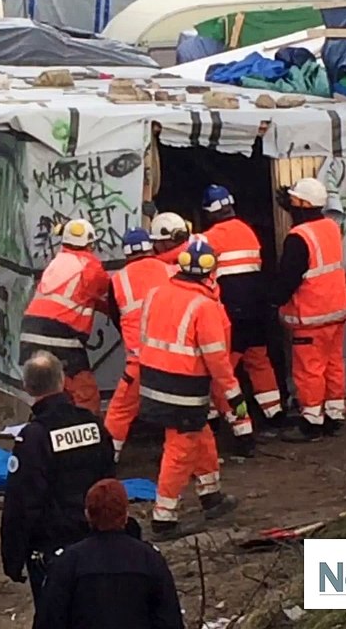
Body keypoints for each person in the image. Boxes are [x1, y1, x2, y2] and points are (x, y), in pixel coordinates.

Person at [139, 236, 244, 539]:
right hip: (183, 388)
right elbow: (217, 358)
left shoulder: (157, 293)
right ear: (211, 274)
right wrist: (233, 394)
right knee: (180, 449)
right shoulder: (205, 306)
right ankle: (164, 517)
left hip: (154, 381)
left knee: (202, 437)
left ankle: (211, 495)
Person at [1, 352, 115, 608]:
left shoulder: (34, 437)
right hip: (97, 542)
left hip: (53, 549)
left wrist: (13, 557)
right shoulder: (94, 425)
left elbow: (22, 503)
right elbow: (110, 481)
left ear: (27, 387)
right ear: (63, 381)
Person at [33, 479, 182, 629]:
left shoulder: (68, 563)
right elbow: (170, 621)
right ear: (125, 514)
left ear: (88, 515)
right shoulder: (150, 560)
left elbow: (48, 621)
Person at [199, 184, 278, 453]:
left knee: (224, 371)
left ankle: (221, 420)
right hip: (257, 308)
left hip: (231, 312)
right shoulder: (248, 231)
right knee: (259, 359)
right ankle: (274, 413)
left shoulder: (208, 239)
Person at [272, 178, 346, 443]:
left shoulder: (299, 237)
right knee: (333, 365)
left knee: (310, 371)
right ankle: (334, 414)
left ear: (304, 204)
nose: (290, 204)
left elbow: (286, 278)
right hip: (336, 312)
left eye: (294, 200)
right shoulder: (331, 227)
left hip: (310, 316)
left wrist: (273, 301)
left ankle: (312, 421)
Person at [19, 218, 111, 414]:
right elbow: (107, 295)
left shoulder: (57, 261)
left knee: (47, 389)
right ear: (90, 243)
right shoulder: (89, 266)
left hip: (30, 330)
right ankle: (88, 433)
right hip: (61, 334)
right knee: (84, 392)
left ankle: (46, 428)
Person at [104, 228, 174, 461]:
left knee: (120, 410)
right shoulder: (171, 270)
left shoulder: (118, 280)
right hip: (175, 357)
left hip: (140, 360)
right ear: (151, 248)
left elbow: (114, 316)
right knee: (182, 411)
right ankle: (189, 462)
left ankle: (107, 458)